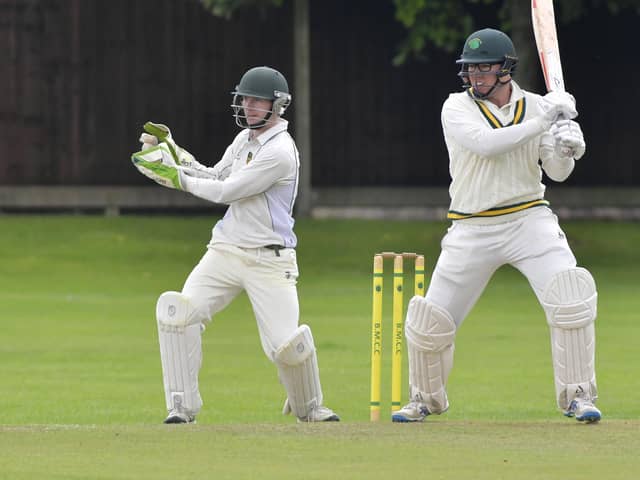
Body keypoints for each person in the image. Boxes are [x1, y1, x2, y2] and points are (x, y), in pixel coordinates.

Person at [392, 29, 601, 424]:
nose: (476, 77)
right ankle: (423, 399)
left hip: (529, 219)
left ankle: (578, 396)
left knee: (571, 296)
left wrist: (567, 147)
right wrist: (544, 121)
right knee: (429, 322)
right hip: (472, 225)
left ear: (506, 69)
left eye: (484, 69)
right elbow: (488, 144)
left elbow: (557, 174)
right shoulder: (456, 107)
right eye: (470, 70)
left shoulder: (539, 106)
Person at [131, 66, 339, 424]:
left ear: (278, 105)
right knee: (178, 314)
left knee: (285, 347)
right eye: (244, 99)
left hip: (270, 260)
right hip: (226, 250)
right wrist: (176, 153)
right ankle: (181, 409)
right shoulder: (245, 140)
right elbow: (216, 175)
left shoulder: (281, 153)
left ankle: (310, 407)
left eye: (256, 100)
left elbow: (228, 191)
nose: (247, 106)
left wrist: (176, 177)